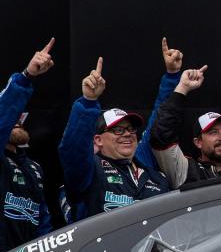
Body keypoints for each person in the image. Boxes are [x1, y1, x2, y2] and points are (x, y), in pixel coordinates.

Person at [58, 39, 182, 220]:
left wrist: (172, 75)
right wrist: (88, 101)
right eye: (117, 130)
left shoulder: (148, 167)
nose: (127, 134)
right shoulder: (90, 170)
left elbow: (160, 117)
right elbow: (73, 150)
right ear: (98, 140)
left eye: (131, 129)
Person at [0, 39, 55, 252]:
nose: (16, 120)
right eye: (11, 116)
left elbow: (44, 225)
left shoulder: (34, 169)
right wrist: (27, 77)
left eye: (19, 116)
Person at [151, 65, 221, 188]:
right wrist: (183, 88)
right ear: (198, 142)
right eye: (213, 132)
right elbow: (161, 135)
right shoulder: (187, 170)